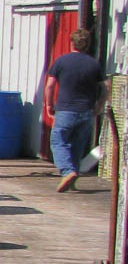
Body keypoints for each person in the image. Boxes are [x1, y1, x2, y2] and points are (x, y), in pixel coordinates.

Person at [42, 28, 104, 192]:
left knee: (58, 141)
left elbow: (50, 86)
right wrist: (100, 104)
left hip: (66, 110)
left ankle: (68, 172)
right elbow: (105, 86)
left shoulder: (62, 61)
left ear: (72, 43)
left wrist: (49, 105)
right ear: (87, 45)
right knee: (77, 145)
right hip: (86, 111)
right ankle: (73, 179)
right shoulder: (94, 64)